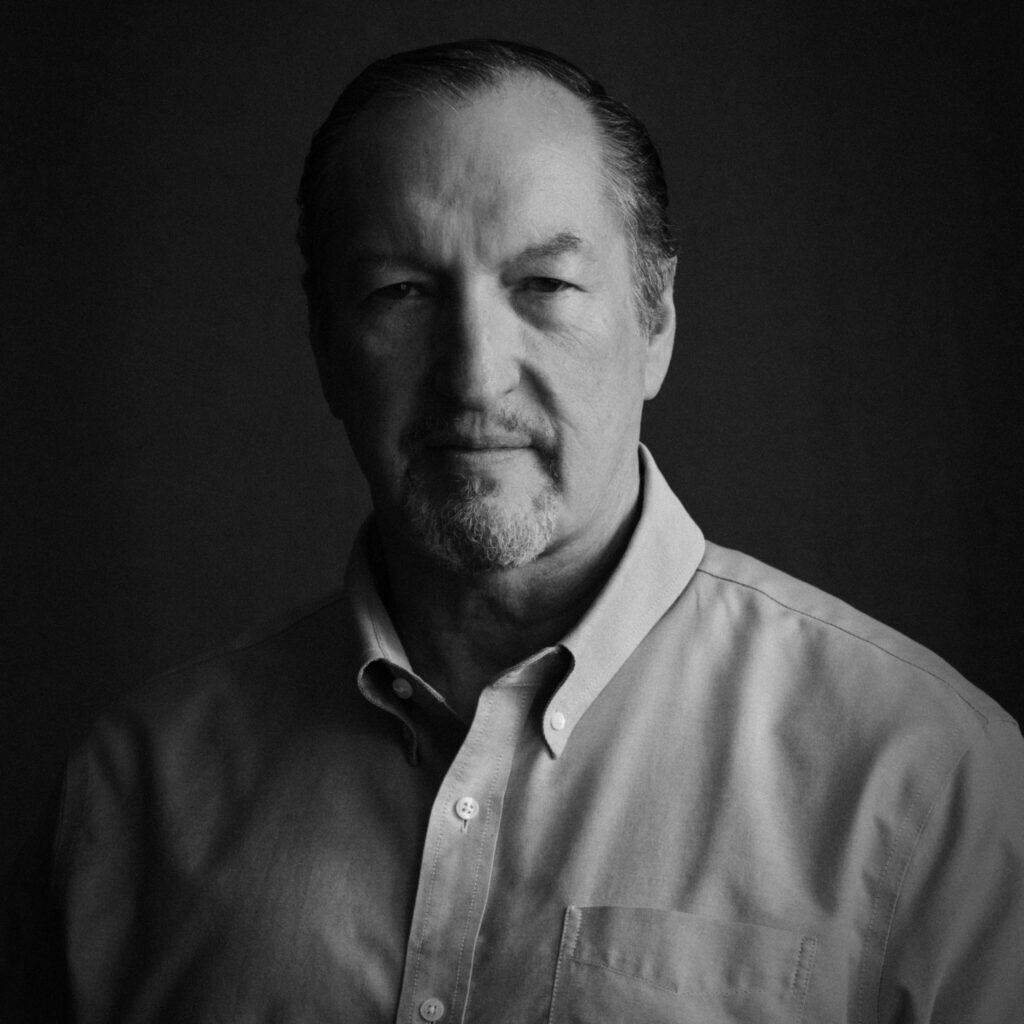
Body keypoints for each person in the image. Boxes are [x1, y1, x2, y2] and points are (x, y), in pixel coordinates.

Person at [3, 38, 1023, 1024]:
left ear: (656, 321)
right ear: (325, 349)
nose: (473, 373)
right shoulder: (133, 794)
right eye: (400, 291)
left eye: (544, 285)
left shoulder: (930, 777)